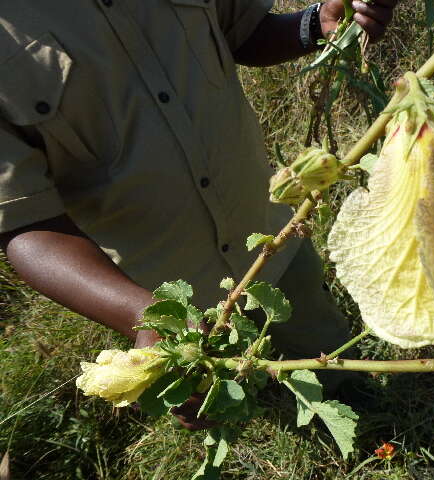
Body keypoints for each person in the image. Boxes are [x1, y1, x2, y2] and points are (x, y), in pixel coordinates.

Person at [0, 0, 397, 429]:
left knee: (332, 355)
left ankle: (365, 407)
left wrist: (314, 24)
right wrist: (146, 315)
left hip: (267, 234)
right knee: (244, 406)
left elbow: (238, 30)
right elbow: (26, 224)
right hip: (174, 295)